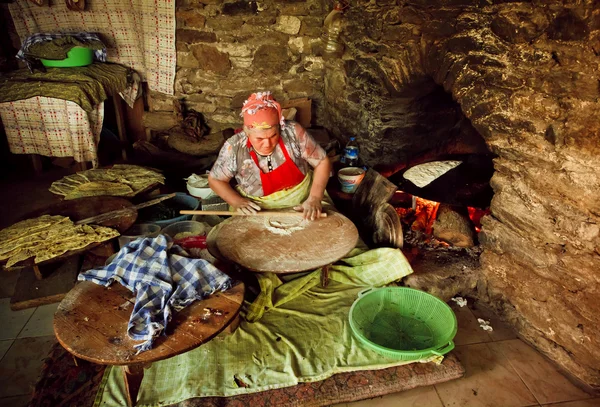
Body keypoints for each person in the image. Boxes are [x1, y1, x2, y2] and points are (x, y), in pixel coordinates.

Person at [208, 91, 331, 220]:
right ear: (246, 132)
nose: (268, 143)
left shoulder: (293, 132)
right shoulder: (235, 146)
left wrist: (315, 198)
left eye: (273, 135)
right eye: (259, 138)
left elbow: (322, 162)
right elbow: (216, 180)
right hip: (257, 209)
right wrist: (236, 201)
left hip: (302, 200)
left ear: (279, 127)